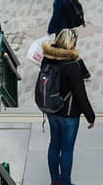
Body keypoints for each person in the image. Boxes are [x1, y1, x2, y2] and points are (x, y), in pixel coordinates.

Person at [39, 28, 96, 185]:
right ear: (72, 44)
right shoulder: (73, 65)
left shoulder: (47, 59)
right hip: (69, 114)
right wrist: (90, 116)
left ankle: (54, 180)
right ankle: (66, 182)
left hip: (52, 109)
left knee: (54, 144)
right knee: (67, 149)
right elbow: (80, 94)